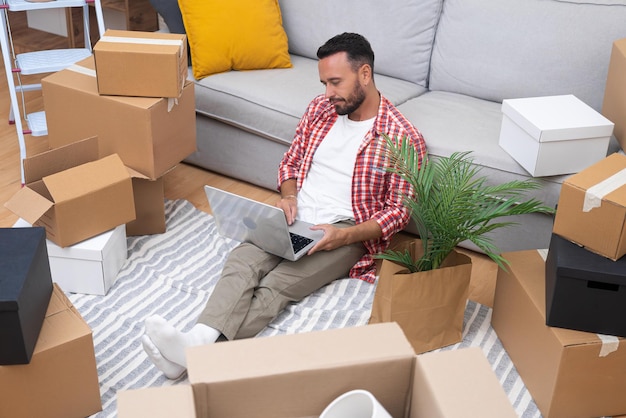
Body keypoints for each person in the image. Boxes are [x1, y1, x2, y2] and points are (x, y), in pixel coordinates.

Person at [142, 32, 427, 379]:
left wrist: (342, 235)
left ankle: (194, 356)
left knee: (277, 285)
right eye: (324, 82)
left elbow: (398, 212)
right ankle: (194, 345)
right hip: (296, 215)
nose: (327, 93)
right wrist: (289, 197)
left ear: (364, 74)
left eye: (335, 82)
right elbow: (290, 164)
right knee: (242, 259)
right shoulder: (320, 110)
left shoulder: (402, 137)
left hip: (345, 231)